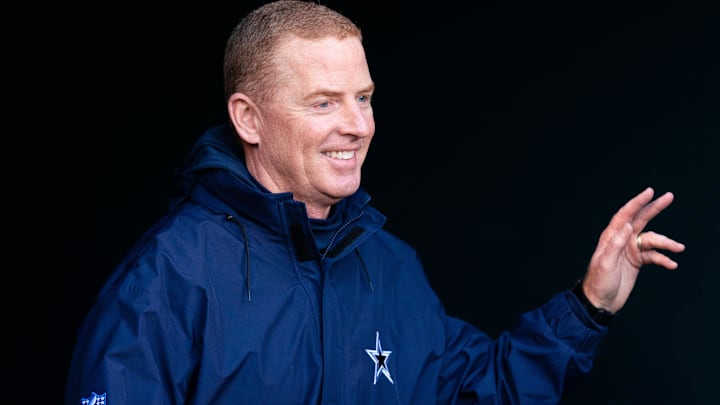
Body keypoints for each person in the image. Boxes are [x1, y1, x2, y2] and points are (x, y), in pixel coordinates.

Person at [64, 1, 686, 404]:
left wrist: (589, 306)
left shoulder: (388, 265)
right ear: (248, 119)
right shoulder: (169, 277)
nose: (357, 125)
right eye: (324, 101)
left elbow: (473, 392)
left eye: (363, 98)